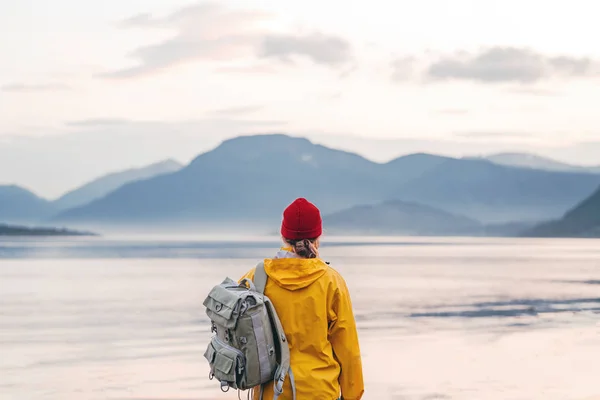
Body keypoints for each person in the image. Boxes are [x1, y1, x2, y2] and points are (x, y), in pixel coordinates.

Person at [239, 197, 364, 400]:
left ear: (283, 234)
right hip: (320, 393)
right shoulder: (331, 282)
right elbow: (348, 350)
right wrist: (352, 396)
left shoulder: (255, 277)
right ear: (318, 235)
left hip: (270, 393)